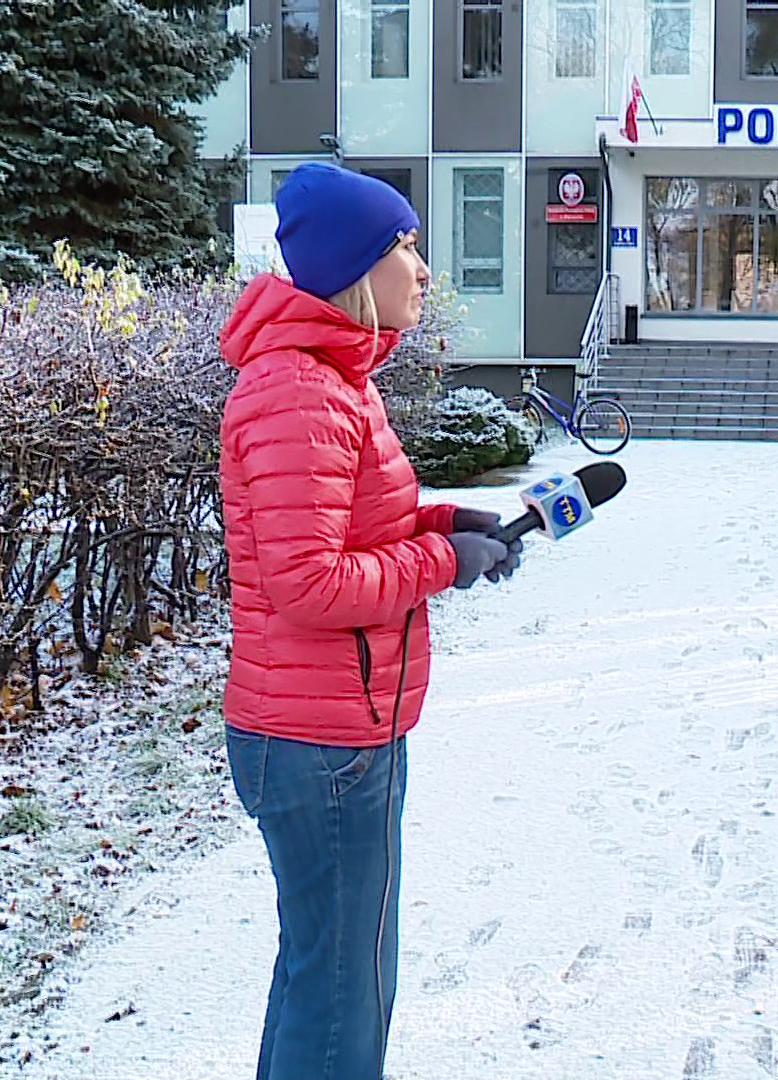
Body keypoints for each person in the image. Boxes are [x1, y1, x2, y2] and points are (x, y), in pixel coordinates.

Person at [216, 162, 520, 1080]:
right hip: (320, 742)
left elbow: (353, 524)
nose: (423, 269)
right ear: (355, 266)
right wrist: (442, 563)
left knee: (325, 973)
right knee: (344, 993)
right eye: (405, 247)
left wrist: (448, 522)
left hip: (331, 729)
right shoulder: (301, 389)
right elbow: (309, 582)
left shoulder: (334, 376)